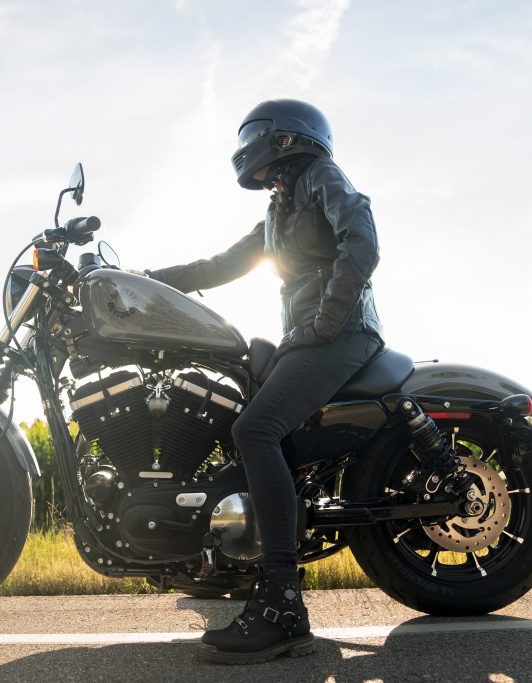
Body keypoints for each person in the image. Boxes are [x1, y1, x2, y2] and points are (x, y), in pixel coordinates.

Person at [145, 99, 384, 664]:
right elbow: (218, 266)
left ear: (285, 138)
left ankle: (282, 605)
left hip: (343, 333)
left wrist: (325, 322)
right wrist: (143, 281)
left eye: (254, 133)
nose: (246, 146)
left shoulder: (321, 177)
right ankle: (230, 556)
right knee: (236, 418)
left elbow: (362, 241)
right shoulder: (278, 212)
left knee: (256, 430)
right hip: (311, 334)